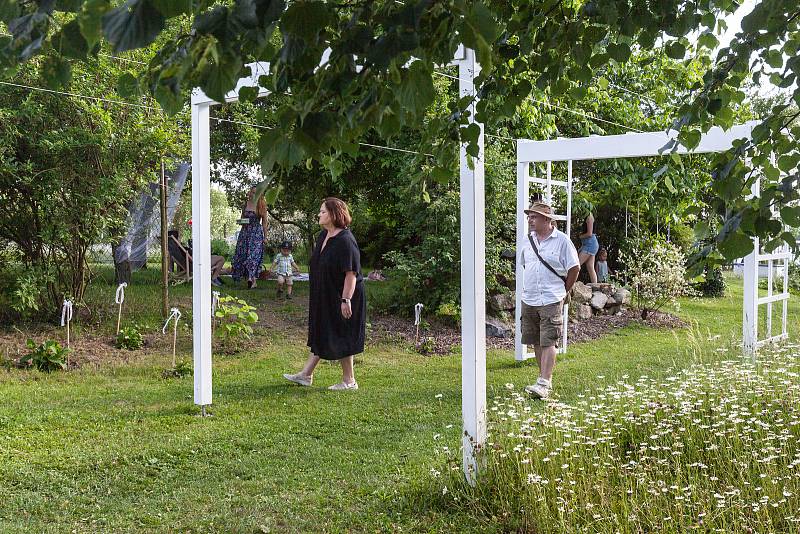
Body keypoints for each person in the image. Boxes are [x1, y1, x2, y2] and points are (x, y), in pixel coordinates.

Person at [283, 197, 366, 391]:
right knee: (323, 330)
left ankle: (349, 381)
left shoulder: (346, 240)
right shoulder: (324, 236)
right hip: (325, 294)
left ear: (334, 214)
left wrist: (345, 300)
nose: (319, 215)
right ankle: (306, 375)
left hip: (344, 295)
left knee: (341, 333)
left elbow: (351, 273)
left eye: (323, 212)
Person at [520, 201, 580, 399]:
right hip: (529, 298)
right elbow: (524, 266)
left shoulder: (562, 241)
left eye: (534, 216)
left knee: (549, 341)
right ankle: (543, 380)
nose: (530, 219)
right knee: (536, 340)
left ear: (547, 219)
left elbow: (574, 268)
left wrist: (564, 290)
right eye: (529, 216)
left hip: (551, 298)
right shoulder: (527, 241)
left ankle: (544, 383)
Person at [231, 187, 269, 288]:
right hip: (245, 233)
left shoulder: (262, 205)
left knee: (253, 257)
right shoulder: (245, 205)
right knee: (243, 255)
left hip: (256, 234)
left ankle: (253, 280)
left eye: (255, 193)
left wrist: (265, 237)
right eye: (251, 192)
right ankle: (249, 279)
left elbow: (265, 223)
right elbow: (242, 220)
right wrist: (241, 221)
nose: (252, 194)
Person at [577, 212, 599, 284]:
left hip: (590, 244)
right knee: (590, 267)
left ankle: (570, 284)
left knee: (576, 264)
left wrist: (580, 236)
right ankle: (595, 286)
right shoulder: (588, 217)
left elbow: (589, 234)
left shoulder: (589, 217)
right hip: (589, 244)